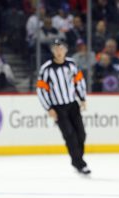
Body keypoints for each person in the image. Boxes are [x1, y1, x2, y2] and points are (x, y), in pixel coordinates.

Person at [36, 38, 90, 175]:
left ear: (65, 50)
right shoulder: (46, 69)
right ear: (52, 51)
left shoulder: (71, 64)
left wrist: (82, 98)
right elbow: (41, 90)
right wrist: (49, 108)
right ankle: (79, 164)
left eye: (61, 48)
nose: (59, 51)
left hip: (72, 104)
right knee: (69, 135)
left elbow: (79, 81)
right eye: (56, 49)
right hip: (58, 108)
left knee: (81, 134)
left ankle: (77, 159)